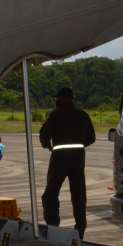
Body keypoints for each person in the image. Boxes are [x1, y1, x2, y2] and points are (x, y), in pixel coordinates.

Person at [38, 87, 96, 237]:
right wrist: (79, 145)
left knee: (51, 193)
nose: (56, 101)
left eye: (57, 98)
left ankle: (53, 226)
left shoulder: (55, 114)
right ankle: (80, 228)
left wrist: (48, 145)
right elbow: (91, 138)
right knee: (78, 193)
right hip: (78, 157)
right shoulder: (83, 115)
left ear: (62, 99)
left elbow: (44, 135)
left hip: (60, 157)